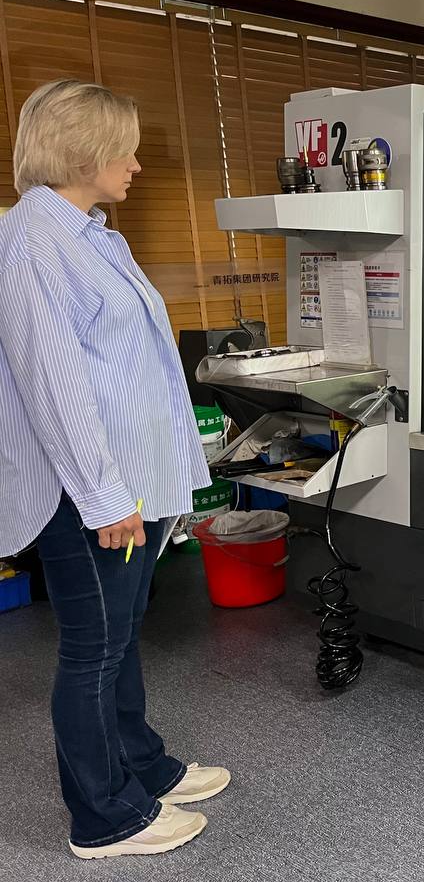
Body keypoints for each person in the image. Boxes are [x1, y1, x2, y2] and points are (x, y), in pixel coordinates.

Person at [0, 79, 230, 860]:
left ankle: (143, 765)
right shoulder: (34, 241)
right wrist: (104, 499)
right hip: (87, 492)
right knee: (93, 648)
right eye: (123, 150)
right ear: (83, 152)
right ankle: (104, 818)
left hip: (127, 483)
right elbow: (54, 383)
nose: (135, 164)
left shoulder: (93, 235)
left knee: (122, 634)